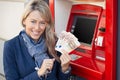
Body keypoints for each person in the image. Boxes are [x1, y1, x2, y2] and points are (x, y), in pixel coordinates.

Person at [3, 0, 71, 80]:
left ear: (47, 24)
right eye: (33, 21)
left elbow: (60, 78)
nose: (37, 28)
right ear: (24, 21)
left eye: (42, 23)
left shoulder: (54, 42)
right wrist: (39, 73)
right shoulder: (11, 46)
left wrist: (64, 68)